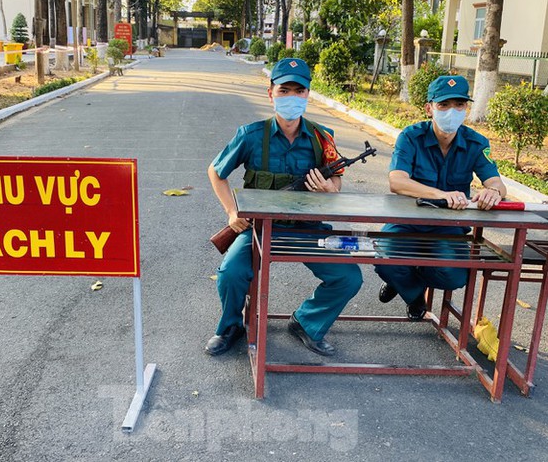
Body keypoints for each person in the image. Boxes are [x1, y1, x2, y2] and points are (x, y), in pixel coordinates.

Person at [205, 58, 363, 357]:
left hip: (307, 228)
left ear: (307, 95)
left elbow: (337, 184)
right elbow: (216, 172)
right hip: (260, 229)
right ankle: (230, 326)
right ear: (271, 94)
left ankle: (307, 322)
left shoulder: (322, 136)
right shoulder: (250, 135)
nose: (291, 97)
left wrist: (330, 189)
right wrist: (232, 211)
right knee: (231, 273)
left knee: (348, 277)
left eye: (298, 90)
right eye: (284, 90)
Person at [375, 75, 507, 320]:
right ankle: (414, 295)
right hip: (407, 223)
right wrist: (441, 195)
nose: (452, 111)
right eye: (443, 105)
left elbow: (497, 182)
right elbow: (397, 181)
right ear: (429, 108)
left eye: (459, 105)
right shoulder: (411, 137)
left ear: (466, 108)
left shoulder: (476, 143)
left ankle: (405, 279)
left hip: (449, 229)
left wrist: (493, 192)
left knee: (455, 275)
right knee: (384, 258)